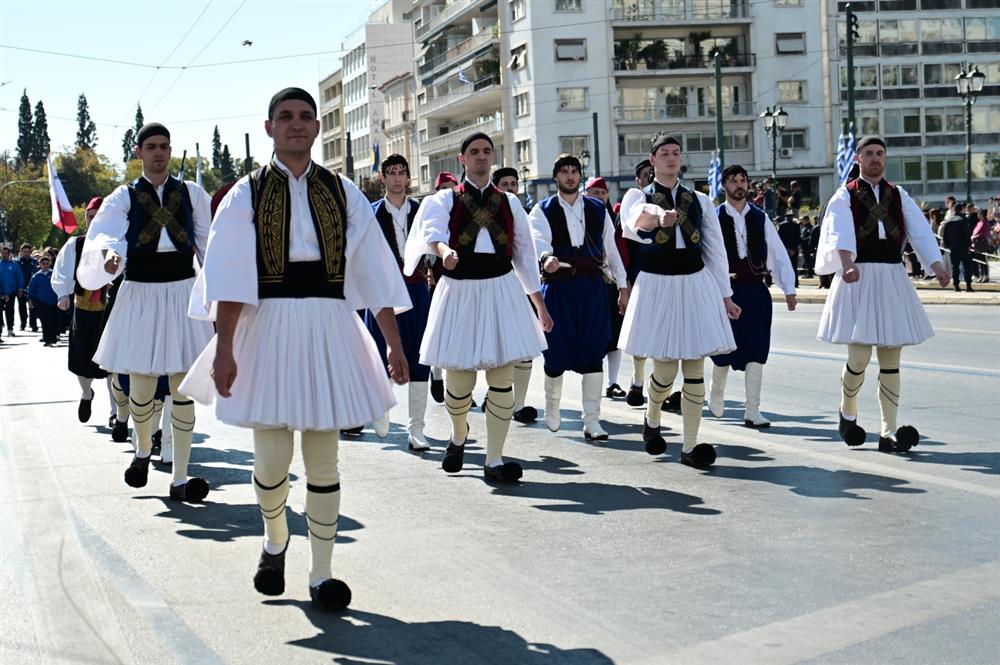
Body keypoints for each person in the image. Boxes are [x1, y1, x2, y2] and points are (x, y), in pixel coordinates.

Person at [181, 87, 410, 611]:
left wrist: (393, 344)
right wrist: (224, 347)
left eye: (306, 116)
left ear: (317, 127)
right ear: (269, 128)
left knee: (325, 461)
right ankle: (275, 538)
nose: (297, 124)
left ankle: (322, 575)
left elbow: (373, 268)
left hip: (330, 326)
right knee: (271, 463)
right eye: (286, 117)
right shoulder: (247, 193)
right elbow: (230, 274)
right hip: (268, 326)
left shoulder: (344, 191)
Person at [403, 132, 553, 483]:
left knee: (502, 381)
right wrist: (444, 252)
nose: (482, 157)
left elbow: (525, 258)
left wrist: (539, 305)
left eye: (487, 151)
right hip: (460, 291)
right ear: (463, 159)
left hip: (501, 290)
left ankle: (495, 460)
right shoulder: (445, 199)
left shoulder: (510, 202)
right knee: (459, 385)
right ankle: (458, 435)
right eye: (474, 152)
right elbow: (432, 232)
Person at [77, 122, 214, 501]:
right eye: (151, 146)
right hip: (139, 291)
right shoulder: (122, 197)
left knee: (181, 387)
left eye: (164, 146)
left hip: (182, 291)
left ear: (170, 151)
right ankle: (141, 449)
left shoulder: (191, 193)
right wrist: (109, 255)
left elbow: (209, 243)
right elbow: (105, 234)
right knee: (139, 385)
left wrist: (222, 291)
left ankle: (181, 478)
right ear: (138, 152)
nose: (158, 153)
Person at [815, 136, 949, 453]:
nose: (875, 158)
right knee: (859, 358)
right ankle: (847, 413)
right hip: (858, 278)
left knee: (891, 360)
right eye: (869, 154)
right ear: (858, 158)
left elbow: (919, 230)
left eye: (880, 154)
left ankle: (888, 432)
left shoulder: (898, 195)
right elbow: (839, 231)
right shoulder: (844, 195)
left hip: (891, 277)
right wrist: (846, 263)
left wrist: (936, 265)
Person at [618, 135, 739, 469]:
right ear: (652, 159)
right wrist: (657, 219)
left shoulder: (698, 199)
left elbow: (715, 248)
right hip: (658, 283)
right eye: (664, 154)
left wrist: (725, 296)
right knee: (666, 368)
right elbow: (633, 225)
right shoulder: (638, 196)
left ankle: (690, 445)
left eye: (676, 153)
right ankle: (652, 416)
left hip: (694, 281)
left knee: (695, 365)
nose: (671, 158)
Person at [529, 156, 627, 440]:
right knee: (556, 350)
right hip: (558, 288)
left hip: (592, 288)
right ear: (555, 177)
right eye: (564, 172)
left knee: (594, 349)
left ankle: (592, 420)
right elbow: (537, 240)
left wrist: (622, 287)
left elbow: (611, 249)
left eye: (574, 171)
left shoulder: (598, 209)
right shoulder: (542, 209)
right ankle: (552, 407)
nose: (570, 176)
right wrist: (546, 258)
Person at [708, 165, 797, 428]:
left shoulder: (760, 217)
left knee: (757, 349)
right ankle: (717, 393)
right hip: (727, 292)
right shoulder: (713, 218)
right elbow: (708, 257)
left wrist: (788, 287)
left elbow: (777, 253)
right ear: (724, 185)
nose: (739, 185)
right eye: (733, 180)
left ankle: (752, 410)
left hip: (757, 291)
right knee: (724, 346)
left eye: (743, 180)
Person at [366, 154, 432, 450]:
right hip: (382, 293)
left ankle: (416, 428)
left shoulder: (422, 210)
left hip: (417, 290)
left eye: (401, 172)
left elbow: (435, 242)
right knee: (381, 352)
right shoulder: (371, 213)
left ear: (408, 177)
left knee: (420, 357)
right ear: (383, 178)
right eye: (390, 172)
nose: (396, 178)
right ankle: (381, 408)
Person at [51, 196, 117, 424]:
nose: (94, 220)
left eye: (99, 217)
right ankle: (86, 393)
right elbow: (61, 271)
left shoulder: (117, 244)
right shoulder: (75, 244)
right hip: (83, 309)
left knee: (111, 362)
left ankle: (115, 412)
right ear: (86, 218)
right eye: (90, 217)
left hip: (110, 312)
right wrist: (62, 295)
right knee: (81, 359)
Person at [492, 165, 538, 423]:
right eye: (505, 184)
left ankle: (518, 405)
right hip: (492, 287)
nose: (511, 188)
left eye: (514, 183)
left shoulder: (524, 213)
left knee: (523, 348)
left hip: (521, 289)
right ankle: (496, 395)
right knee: (496, 350)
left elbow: (527, 254)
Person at [940, 203, 974, 292]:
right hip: (963, 247)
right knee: (967, 266)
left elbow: (945, 236)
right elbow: (967, 233)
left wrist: (948, 245)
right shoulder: (964, 219)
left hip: (953, 247)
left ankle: (956, 285)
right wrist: (969, 244)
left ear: (954, 210)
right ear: (961, 209)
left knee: (955, 267)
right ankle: (968, 285)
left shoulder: (949, 220)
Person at [26, 254, 60, 345]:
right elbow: (31, 289)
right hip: (41, 302)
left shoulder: (54, 274)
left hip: (53, 302)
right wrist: (30, 300)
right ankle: (47, 339)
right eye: (43, 263)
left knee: (53, 320)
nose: (45, 265)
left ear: (50, 264)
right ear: (40, 265)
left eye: (47, 263)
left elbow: (59, 286)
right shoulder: (36, 276)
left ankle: (53, 338)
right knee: (45, 321)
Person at [1, 246, 25, 342]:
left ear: (9, 254)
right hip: (0, 292)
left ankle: (10, 328)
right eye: (3, 253)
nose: (4, 255)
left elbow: (20, 277)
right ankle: (1, 324)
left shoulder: (14, 265)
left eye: (6, 253)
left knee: (9, 310)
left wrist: (20, 288)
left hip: (11, 291)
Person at [16, 243, 38, 332]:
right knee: (22, 307)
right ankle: (23, 323)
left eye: (28, 251)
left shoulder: (35, 262)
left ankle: (33, 324)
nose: (26, 253)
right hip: (21, 287)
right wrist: (19, 288)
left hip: (32, 288)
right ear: (21, 252)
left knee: (32, 306)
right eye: (24, 251)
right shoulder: (17, 262)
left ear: (30, 252)